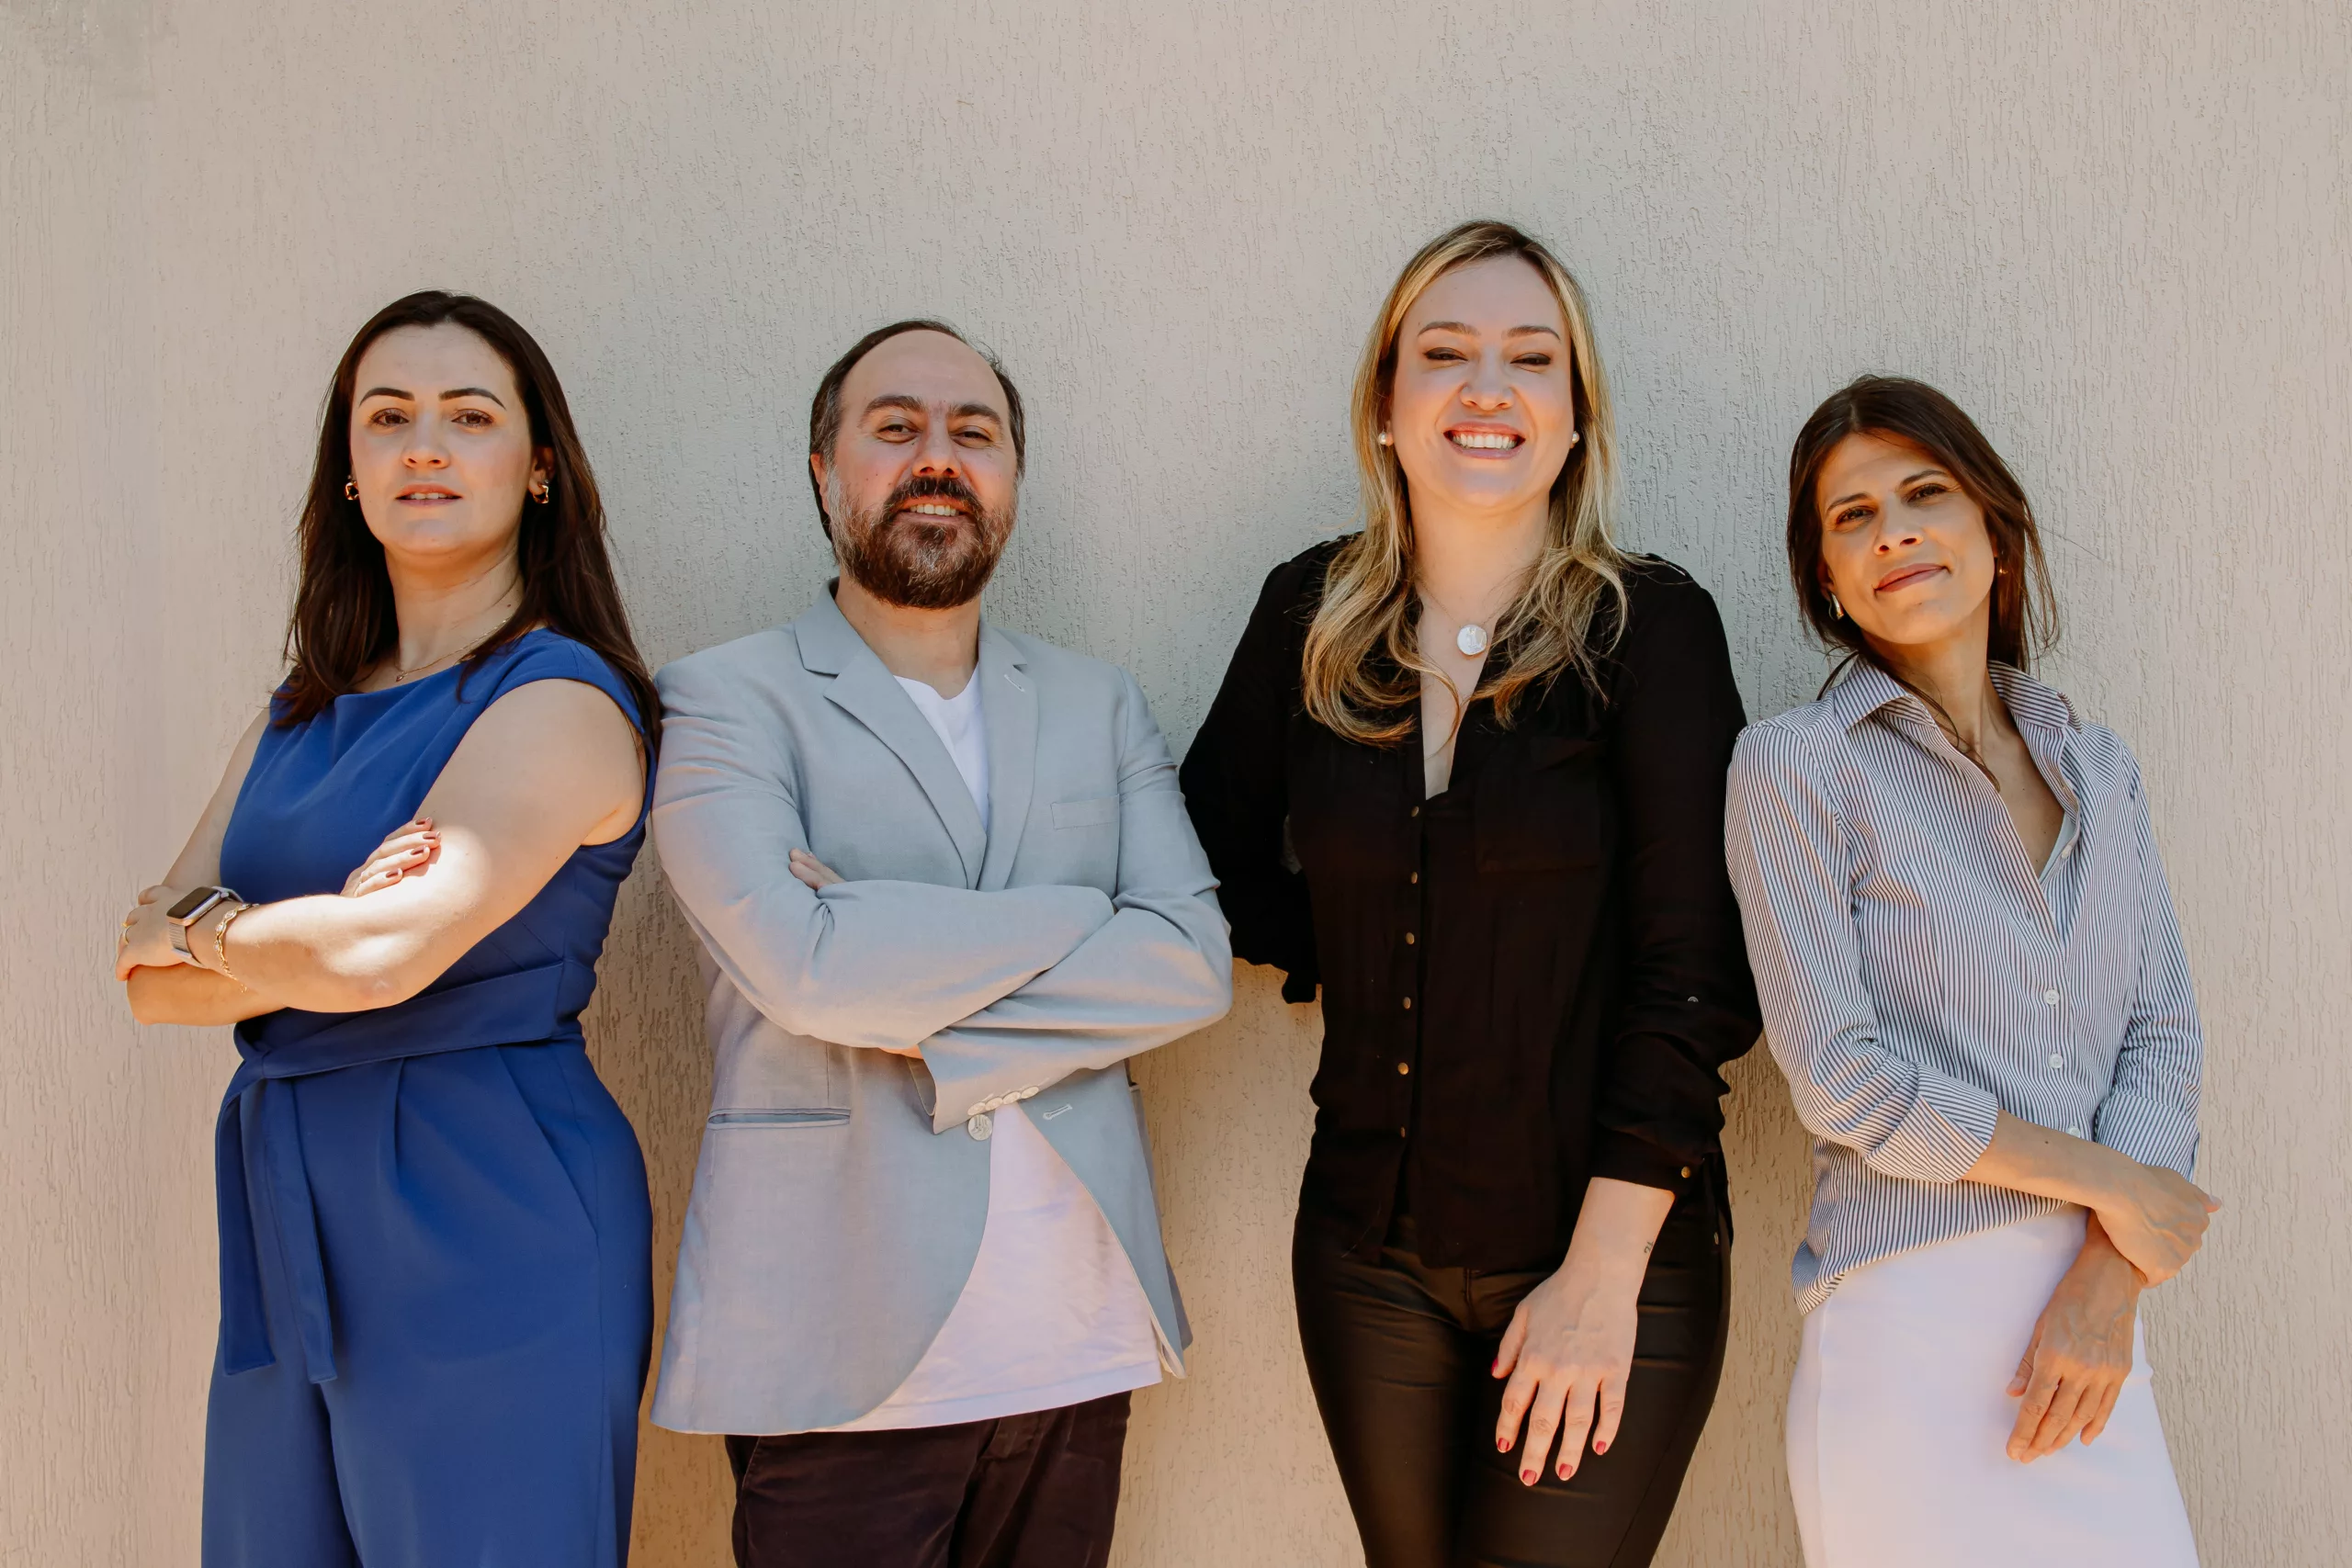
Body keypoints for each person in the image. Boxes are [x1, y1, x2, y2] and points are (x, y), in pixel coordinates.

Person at [1180, 220, 1760, 1568]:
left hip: (1612, 1249)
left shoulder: (1651, 628)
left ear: (1573, 418)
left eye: (1529, 359)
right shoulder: (1306, 615)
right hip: (1365, 1255)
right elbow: (1198, 855)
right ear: (1387, 409)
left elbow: (1696, 974)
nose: (1485, 387)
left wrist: (1600, 1277)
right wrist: (1331, 946)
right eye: (1443, 354)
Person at [646, 319, 1232, 1568]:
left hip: (1074, 1333)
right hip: (835, 1342)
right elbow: (804, 967)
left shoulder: (1096, 699)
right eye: (896, 426)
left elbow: (1188, 959)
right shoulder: (720, 699)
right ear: (823, 470)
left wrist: (878, 931)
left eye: (975, 432)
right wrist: (1087, 918)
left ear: (1012, 478)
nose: (938, 456)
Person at [114, 291, 661, 1567]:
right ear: (349, 477)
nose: (425, 444)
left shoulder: (563, 699)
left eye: (469, 416)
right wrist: (270, 934)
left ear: (537, 471)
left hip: (490, 1205)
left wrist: (215, 925)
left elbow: (380, 953)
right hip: (287, 1206)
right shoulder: (299, 711)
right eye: (389, 416)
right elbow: (145, 979)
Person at [1724, 375, 2214, 1567]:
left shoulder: (2099, 768)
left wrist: (2111, 1273)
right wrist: (2111, 1183)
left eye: (1922, 493)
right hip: (1912, 1340)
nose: (1891, 529)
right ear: (1826, 584)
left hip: (2097, 1338)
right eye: (1851, 517)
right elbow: (1844, 1078)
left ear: (1992, 532)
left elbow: (2162, 1034)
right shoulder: (1796, 768)